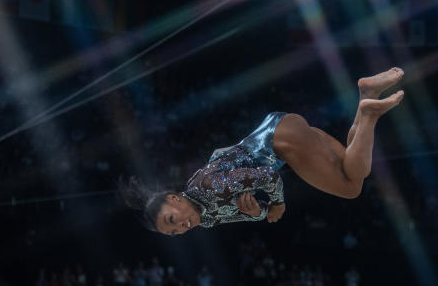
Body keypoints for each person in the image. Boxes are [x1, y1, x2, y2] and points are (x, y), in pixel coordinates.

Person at [123, 67, 405, 234]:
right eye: (174, 232)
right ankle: (367, 95)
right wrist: (260, 211)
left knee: (352, 187)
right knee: (349, 165)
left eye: (173, 219)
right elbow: (245, 211)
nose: (182, 226)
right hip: (279, 127)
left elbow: (266, 178)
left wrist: (278, 204)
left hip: (281, 144)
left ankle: (369, 114)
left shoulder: (207, 188)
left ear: (174, 199)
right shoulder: (206, 215)